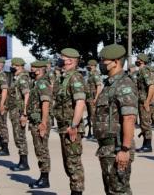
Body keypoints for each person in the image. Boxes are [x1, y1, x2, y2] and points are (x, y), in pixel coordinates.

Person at [94, 44, 138, 195]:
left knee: (119, 191)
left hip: (117, 149)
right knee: (112, 191)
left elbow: (129, 118)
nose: (101, 64)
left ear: (116, 62)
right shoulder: (109, 84)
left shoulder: (124, 84)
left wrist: (125, 150)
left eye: (104, 61)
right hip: (107, 149)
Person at [53, 48, 86, 195]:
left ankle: (77, 192)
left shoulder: (75, 78)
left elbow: (80, 102)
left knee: (74, 164)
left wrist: (74, 125)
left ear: (71, 61)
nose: (60, 60)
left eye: (63, 58)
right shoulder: (65, 77)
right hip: (64, 127)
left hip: (71, 128)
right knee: (69, 165)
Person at [28, 60, 52, 189]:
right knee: (39, 150)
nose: (31, 71)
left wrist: (43, 123)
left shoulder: (43, 83)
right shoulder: (37, 83)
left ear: (39, 70)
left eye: (32, 69)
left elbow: (46, 103)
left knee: (42, 150)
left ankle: (45, 179)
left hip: (40, 123)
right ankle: (43, 177)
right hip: (36, 121)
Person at [8, 57, 31, 171]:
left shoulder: (22, 79)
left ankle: (24, 163)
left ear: (20, 66)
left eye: (14, 65)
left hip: (19, 111)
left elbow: (27, 95)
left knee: (20, 136)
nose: (12, 67)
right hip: (14, 111)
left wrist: (24, 113)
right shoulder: (16, 78)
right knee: (18, 136)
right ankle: (22, 161)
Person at [135, 54, 154, 153]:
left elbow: (151, 86)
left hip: (144, 101)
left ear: (142, 61)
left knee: (145, 123)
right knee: (143, 123)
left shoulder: (144, 70)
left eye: (138, 59)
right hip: (141, 101)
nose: (136, 61)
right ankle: (145, 144)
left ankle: (148, 145)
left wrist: (147, 101)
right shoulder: (141, 71)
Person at [85, 59, 103, 138]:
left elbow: (99, 86)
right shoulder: (90, 74)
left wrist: (96, 98)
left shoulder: (95, 74)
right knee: (90, 116)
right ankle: (90, 132)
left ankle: (95, 133)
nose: (89, 67)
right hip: (89, 98)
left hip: (93, 98)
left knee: (94, 116)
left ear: (93, 66)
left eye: (90, 66)